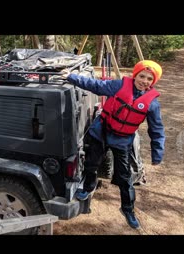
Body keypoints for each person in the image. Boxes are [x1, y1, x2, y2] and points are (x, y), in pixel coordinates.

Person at [62, 60, 165, 229]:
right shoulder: (119, 85)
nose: (144, 81)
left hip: (122, 140)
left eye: (149, 79)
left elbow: (157, 129)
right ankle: (87, 187)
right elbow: (94, 85)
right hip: (101, 132)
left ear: (152, 82)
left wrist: (157, 153)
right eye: (142, 76)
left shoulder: (152, 103)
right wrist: (72, 77)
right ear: (135, 75)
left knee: (125, 177)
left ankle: (127, 209)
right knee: (91, 164)